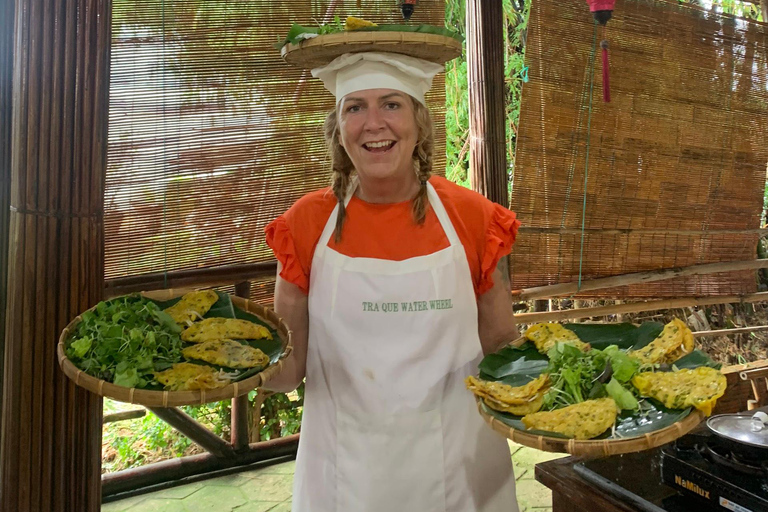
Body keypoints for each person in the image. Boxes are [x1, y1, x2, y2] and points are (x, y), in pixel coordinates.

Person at [264, 46, 521, 512]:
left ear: (419, 123)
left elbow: (503, 342)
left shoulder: (473, 218)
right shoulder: (304, 225)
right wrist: (234, 368)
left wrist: (552, 390)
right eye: (355, 107)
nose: (373, 123)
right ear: (339, 129)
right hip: (344, 479)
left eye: (392, 104)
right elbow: (284, 373)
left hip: (463, 474)